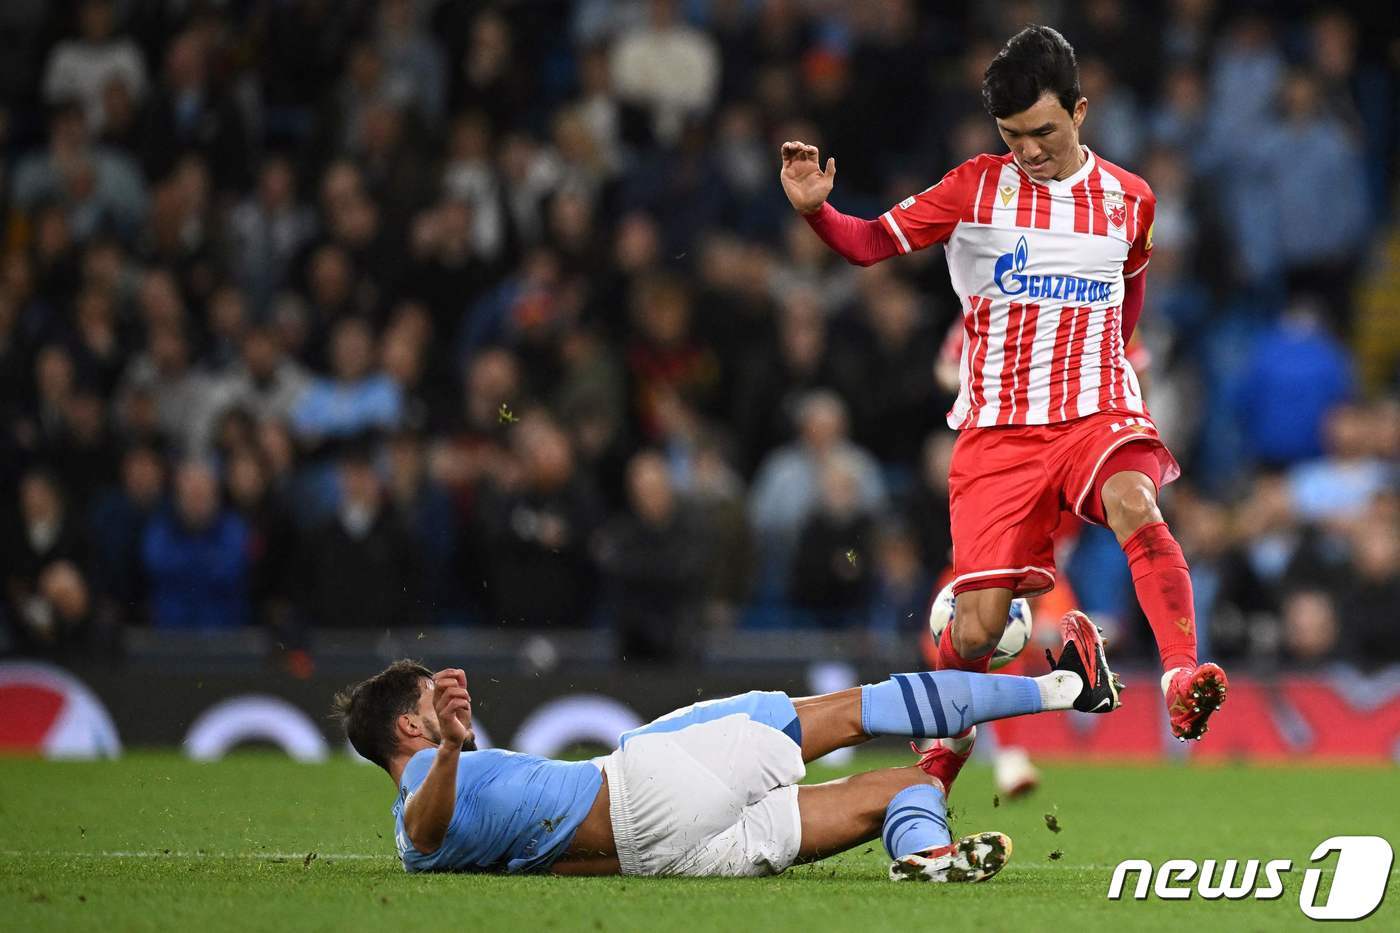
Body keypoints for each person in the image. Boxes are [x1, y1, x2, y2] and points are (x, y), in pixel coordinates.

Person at [778, 25, 1226, 742]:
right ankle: (939, 760)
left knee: (1136, 503)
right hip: (1001, 432)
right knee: (981, 627)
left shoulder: (1130, 200)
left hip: (1093, 411)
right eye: (1013, 135)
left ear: (1080, 113)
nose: (1030, 151)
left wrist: (1112, 364)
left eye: (1044, 131)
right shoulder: (972, 189)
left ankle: (1180, 676)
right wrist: (815, 210)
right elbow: (867, 244)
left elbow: (1127, 295)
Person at [334, 612, 1120, 880]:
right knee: (853, 710)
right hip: (646, 782)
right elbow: (427, 819)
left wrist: (454, 753)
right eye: (431, 701)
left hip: (669, 858)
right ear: (411, 726)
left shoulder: (422, 841)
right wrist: (450, 750)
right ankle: (1065, 689)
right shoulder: (424, 807)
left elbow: (433, 834)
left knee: (905, 787)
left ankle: (931, 853)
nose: (449, 706)